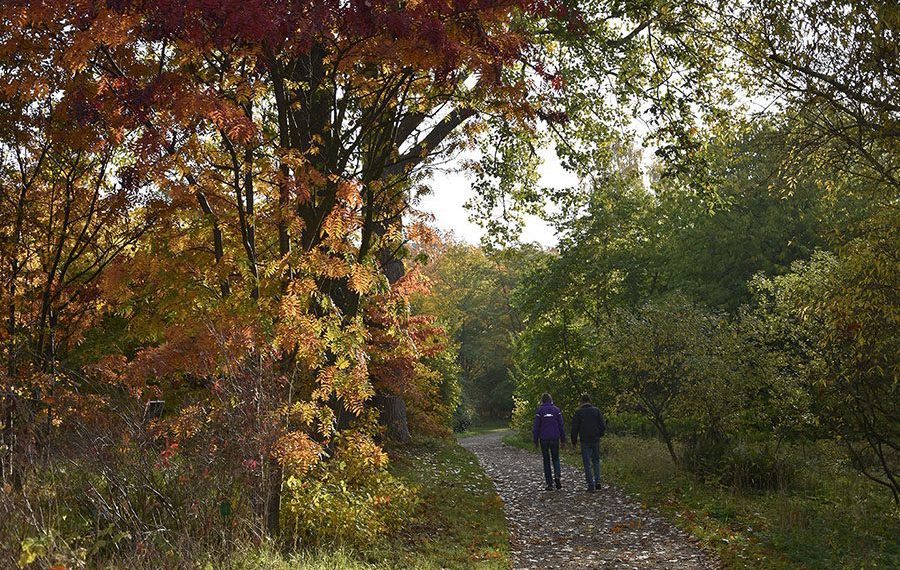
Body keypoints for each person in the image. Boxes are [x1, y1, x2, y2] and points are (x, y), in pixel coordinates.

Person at [571, 393, 605, 492]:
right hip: (595, 439)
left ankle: (591, 485)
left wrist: (574, 441)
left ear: (581, 401)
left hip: (584, 440)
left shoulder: (578, 412)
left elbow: (574, 428)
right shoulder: (596, 411)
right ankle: (598, 482)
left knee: (587, 464)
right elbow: (602, 426)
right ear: (590, 401)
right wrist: (600, 434)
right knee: (596, 461)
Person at [532, 393, 564, 491]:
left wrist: (535, 440)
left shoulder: (540, 411)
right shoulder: (557, 410)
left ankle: (549, 484)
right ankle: (557, 475)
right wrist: (563, 439)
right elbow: (561, 425)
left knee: (546, 460)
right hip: (554, 437)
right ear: (551, 400)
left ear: (542, 400)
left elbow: (536, 427)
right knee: (556, 458)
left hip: (544, 438)